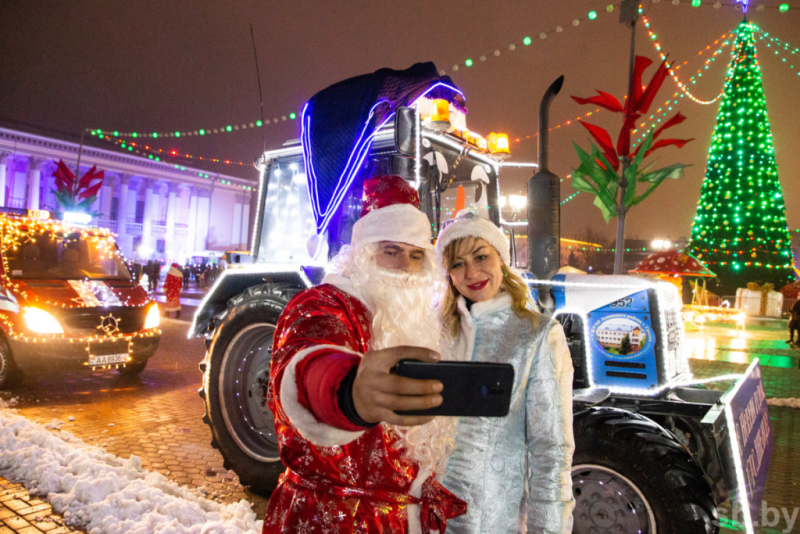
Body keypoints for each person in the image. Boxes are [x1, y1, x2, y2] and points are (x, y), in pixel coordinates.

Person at [264, 175, 466, 534]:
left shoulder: (424, 321)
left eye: (416, 254)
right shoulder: (326, 304)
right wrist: (347, 392)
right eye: (391, 250)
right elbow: (311, 358)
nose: (406, 266)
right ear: (363, 254)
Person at [436, 210, 575, 534]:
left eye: (481, 256)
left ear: (501, 258)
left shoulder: (538, 334)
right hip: (427, 519)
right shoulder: (436, 331)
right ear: (449, 275)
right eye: (457, 264)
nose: (471, 272)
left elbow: (551, 452)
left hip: (491, 522)